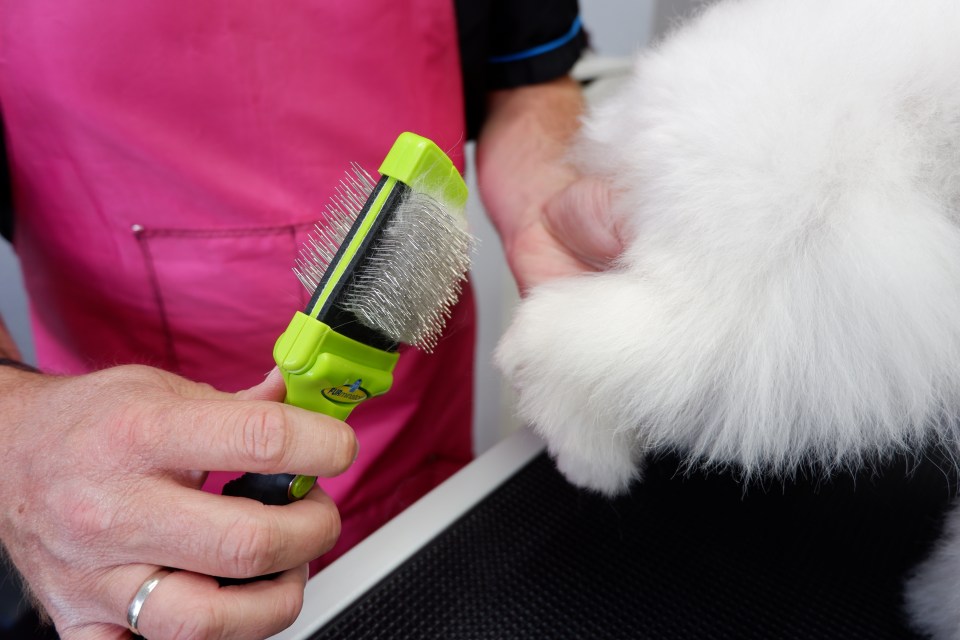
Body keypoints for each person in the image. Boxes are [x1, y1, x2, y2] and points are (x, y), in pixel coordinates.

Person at [0, 2, 620, 638]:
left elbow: (526, 76)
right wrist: (15, 430)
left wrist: (547, 212)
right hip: (124, 505)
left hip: (422, 477)